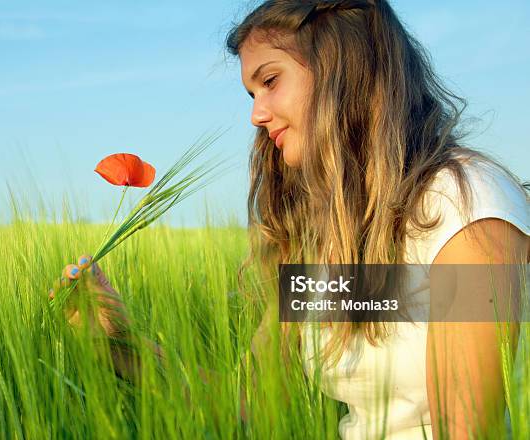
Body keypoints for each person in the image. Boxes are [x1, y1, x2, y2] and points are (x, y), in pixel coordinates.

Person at [48, 1, 529, 438]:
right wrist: (124, 348)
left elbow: (466, 431)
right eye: (250, 94)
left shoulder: (467, 207)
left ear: (344, 67)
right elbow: (252, 405)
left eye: (270, 81)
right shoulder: (326, 235)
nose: (256, 115)